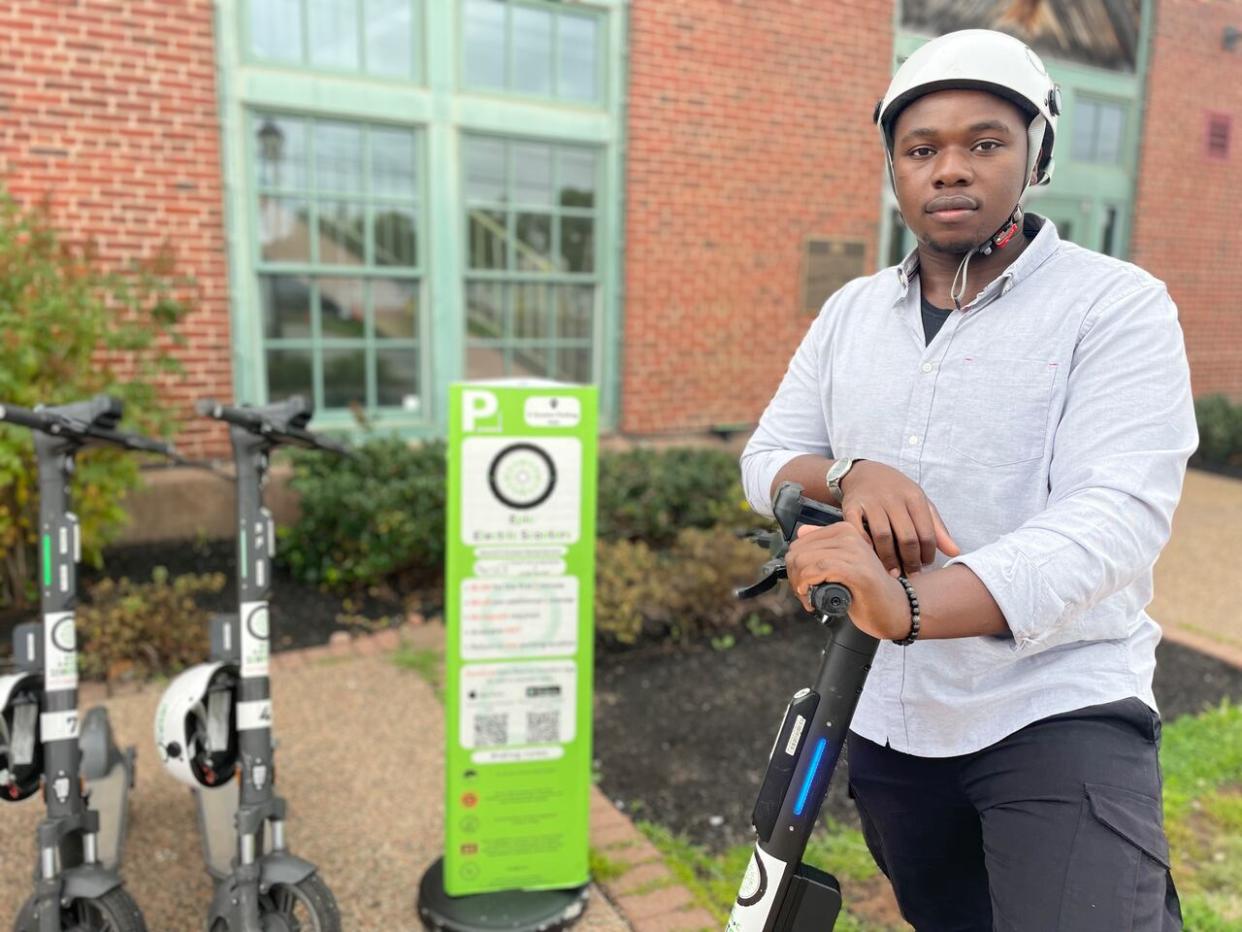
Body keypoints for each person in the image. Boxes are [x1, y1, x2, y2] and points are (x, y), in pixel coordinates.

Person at [740, 29, 1195, 931]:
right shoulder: (850, 313)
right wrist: (848, 470)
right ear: (896, 170)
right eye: (922, 149)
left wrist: (911, 604)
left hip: (1057, 702)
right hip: (887, 713)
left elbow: (1114, 518)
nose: (950, 169)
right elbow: (765, 458)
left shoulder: (1116, 305)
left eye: (984, 143)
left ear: (1036, 156)